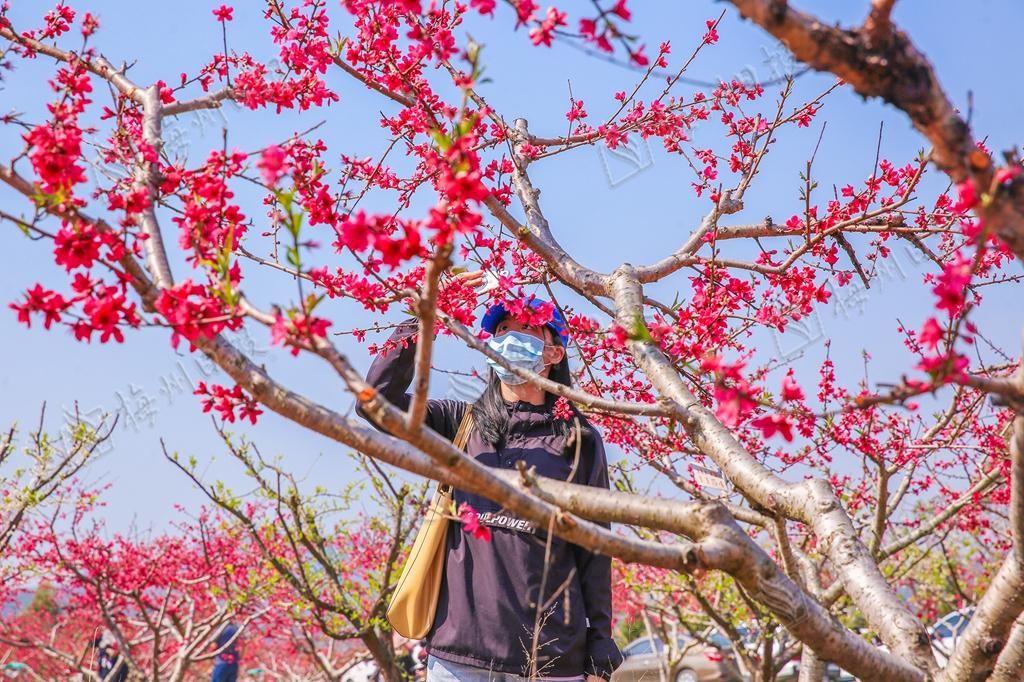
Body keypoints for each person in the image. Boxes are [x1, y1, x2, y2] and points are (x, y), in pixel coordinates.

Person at [360, 275, 623, 682]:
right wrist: (421, 318)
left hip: (550, 656)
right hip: (461, 653)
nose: (511, 339)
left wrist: (600, 640)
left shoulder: (579, 440)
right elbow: (375, 402)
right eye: (502, 331)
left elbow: (594, 545)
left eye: (528, 330)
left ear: (553, 353)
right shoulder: (460, 425)